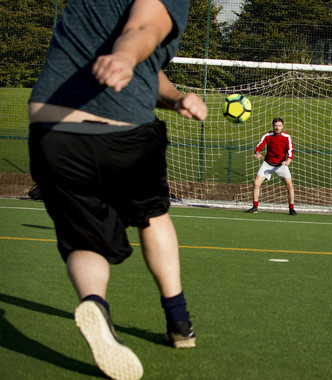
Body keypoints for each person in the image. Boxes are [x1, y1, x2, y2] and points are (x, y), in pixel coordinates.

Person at [27, 0, 207, 379]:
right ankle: (179, 322)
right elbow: (142, 31)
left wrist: (175, 98)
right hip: (121, 129)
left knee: (83, 240)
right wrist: (124, 57)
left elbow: (147, 65)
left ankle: (94, 304)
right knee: (152, 214)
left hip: (52, 132)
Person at [247, 117, 296, 215]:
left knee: (289, 185)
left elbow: (290, 150)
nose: (277, 128)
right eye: (275, 126)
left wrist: (288, 160)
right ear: (273, 126)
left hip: (281, 164)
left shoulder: (287, 137)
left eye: (279, 126)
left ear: (282, 126)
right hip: (267, 164)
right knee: (256, 183)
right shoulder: (267, 135)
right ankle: (255, 206)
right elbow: (259, 145)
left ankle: (291, 208)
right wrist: (257, 152)